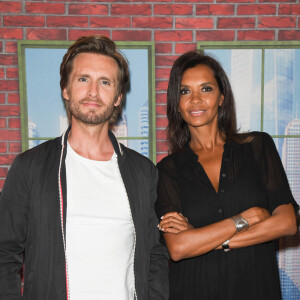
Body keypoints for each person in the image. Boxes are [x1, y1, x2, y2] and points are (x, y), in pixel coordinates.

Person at [0, 35, 169, 300]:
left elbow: (154, 253)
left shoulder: (142, 171)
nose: (93, 91)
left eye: (105, 82)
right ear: (66, 90)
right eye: (83, 79)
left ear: (117, 97)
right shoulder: (31, 167)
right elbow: (4, 252)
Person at [155, 50, 298, 300]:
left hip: (257, 290)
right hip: (193, 291)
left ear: (221, 97)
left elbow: (287, 223)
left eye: (206, 89)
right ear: (176, 103)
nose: (195, 99)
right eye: (185, 91)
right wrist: (244, 219)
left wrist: (210, 240)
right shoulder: (168, 169)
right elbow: (178, 248)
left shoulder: (257, 146)